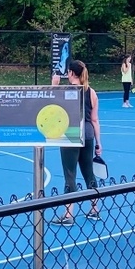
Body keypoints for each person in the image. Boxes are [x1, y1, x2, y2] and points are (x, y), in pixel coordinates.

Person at [52, 59, 102, 226]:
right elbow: (95, 120)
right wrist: (98, 143)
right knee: (89, 172)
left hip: (71, 134)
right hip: (88, 134)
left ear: (72, 73)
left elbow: (52, 109)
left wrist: (54, 86)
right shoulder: (92, 92)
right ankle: (94, 210)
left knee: (70, 173)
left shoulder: (67, 91)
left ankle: (68, 214)